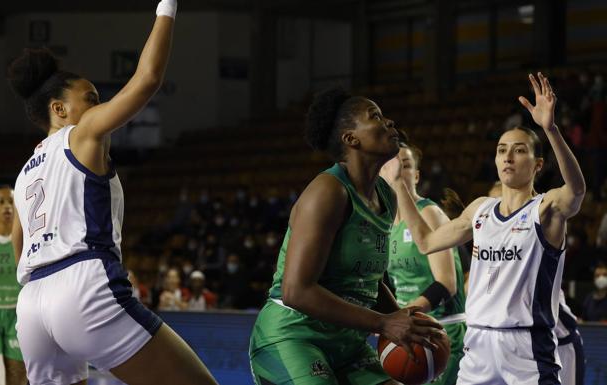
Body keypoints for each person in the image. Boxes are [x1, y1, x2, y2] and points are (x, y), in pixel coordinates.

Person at [7, 2, 217, 384]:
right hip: (82, 284)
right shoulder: (81, 134)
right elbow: (148, 78)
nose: (99, 105)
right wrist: (167, 8)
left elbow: (18, 246)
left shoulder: (23, 173)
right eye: (89, 98)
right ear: (59, 108)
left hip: (32, 302)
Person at [394, 73, 585, 384]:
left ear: (538, 165)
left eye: (519, 150)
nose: (508, 156)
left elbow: (576, 190)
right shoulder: (480, 208)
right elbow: (427, 241)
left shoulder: (545, 209)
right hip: (478, 343)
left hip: (526, 346)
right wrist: (399, 184)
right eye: (501, 149)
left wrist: (550, 130)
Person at [249, 87, 443, 385]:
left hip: (347, 344)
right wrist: (383, 323)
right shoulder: (327, 192)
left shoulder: (387, 199)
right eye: (375, 116)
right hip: (293, 335)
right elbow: (296, 291)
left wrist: (404, 319)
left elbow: (368, 283)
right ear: (351, 139)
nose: (389, 122)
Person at [380, 145, 466, 385]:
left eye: (406, 165)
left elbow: (446, 284)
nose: (398, 169)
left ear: (416, 176)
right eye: (391, 163)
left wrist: (402, 315)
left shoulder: (429, 212)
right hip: (409, 331)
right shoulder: (384, 222)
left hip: (442, 331)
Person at [488, 182, 586, 385]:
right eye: (496, 203)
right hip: (523, 349)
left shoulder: (535, 239)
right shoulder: (492, 254)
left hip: (561, 344)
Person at [0, 186, 26, 385]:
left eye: (11, 201)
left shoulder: (27, 239)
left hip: (17, 316)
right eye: (1, 202)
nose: (8, 206)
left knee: (17, 378)